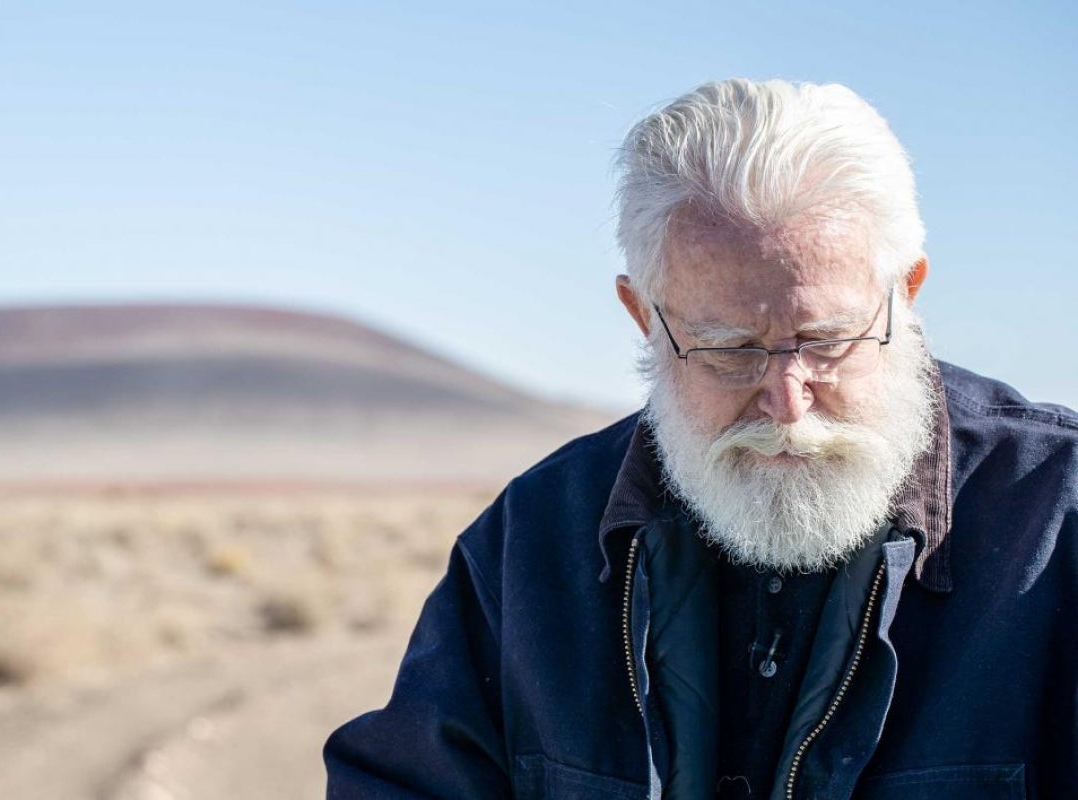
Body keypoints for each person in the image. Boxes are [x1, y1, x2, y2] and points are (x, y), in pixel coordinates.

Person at [323, 78, 1077, 798]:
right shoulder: (532, 542)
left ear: (904, 295)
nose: (788, 401)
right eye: (729, 347)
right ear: (644, 316)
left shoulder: (1056, 524)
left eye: (827, 340)